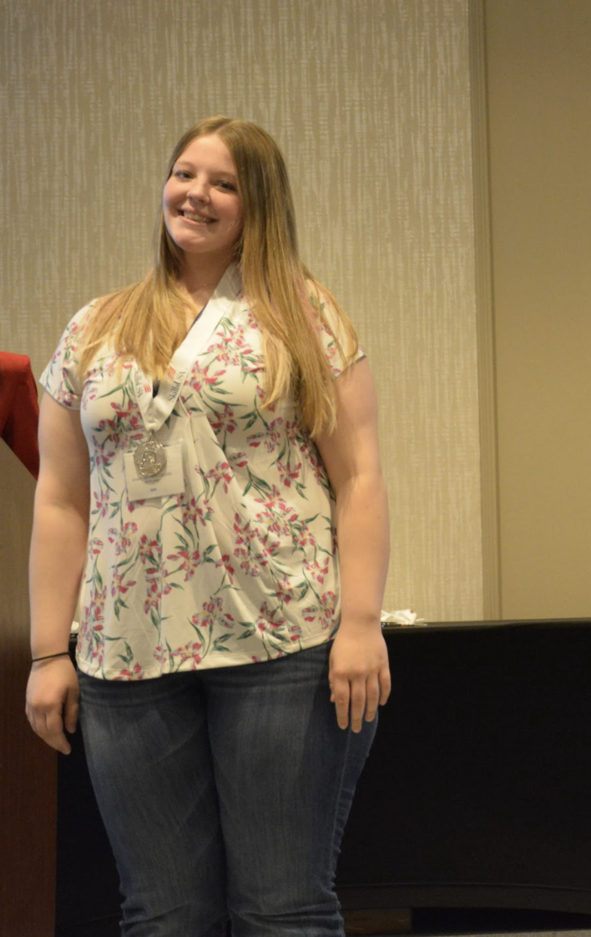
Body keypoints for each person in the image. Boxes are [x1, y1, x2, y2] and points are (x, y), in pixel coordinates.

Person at [25, 116, 391, 936]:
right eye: (185, 174)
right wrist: (51, 650)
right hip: (127, 652)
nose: (196, 194)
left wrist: (361, 621)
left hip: (280, 641)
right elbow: (59, 498)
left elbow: (360, 476)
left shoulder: (304, 315)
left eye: (223, 183)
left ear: (258, 203)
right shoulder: (96, 327)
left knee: (281, 906)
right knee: (162, 912)